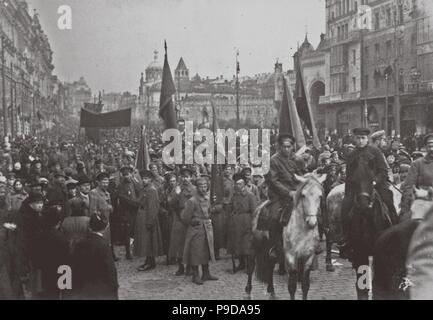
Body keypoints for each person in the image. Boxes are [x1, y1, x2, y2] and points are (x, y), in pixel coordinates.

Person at [340, 128, 398, 258]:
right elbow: (348, 175)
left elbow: (383, 171)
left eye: (363, 138)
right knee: (345, 208)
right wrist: (349, 190)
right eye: (358, 138)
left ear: (367, 139)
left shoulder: (375, 152)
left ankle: (394, 230)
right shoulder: (352, 155)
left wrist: (375, 181)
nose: (360, 141)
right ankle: (346, 238)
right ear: (354, 139)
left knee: (388, 202)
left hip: (376, 185)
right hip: (357, 187)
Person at [264, 133, 302, 261]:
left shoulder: (297, 159)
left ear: (293, 147)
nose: (286, 149)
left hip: (296, 193)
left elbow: (302, 174)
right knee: (274, 217)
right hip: (279, 196)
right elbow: (273, 181)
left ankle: (315, 240)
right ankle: (274, 247)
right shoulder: (273, 160)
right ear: (280, 147)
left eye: (289, 146)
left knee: (313, 211)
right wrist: (288, 192)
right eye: (284, 147)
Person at [71, 213, 119, 300]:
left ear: (89, 227)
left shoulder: (80, 243)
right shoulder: (104, 245)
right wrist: (114, 287)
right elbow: (110, 269)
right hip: (101, 290)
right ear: (106, 227)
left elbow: (75, 266)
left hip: (83, 288)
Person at [181, 177, 218, 285]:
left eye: (205, 186)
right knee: (196, 252)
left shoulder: (207, 198)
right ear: (197, 187)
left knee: (206, 250)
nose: (203, 188)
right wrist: (192, 221)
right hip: (196, 230)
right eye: (201, 186)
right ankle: (195, 275)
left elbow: (209, 212)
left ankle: (206, 273)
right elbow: (185, 217)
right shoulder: (192, 201)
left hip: (207, 227)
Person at [36, 207, 69, 300]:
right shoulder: (62, 237)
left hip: (45, 271)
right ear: (59, 222)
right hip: (62, 271)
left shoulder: (40, 236)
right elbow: (67, 256)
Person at [169, 167, 196, 276]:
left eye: (187, 177)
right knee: (179, 244)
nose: (185, 179)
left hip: (190, 218)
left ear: (191, 177)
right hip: (178, 218)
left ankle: (189, 267)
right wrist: (177, 194)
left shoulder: (194, 189)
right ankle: (180, 267)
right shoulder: (177, 188)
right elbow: (171, 204)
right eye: (183, 177)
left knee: (189, 243)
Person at [134, 170, 163, 271]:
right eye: (143, 178)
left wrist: (150, 221)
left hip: (148, 217)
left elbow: (153, 207)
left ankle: (150, 262)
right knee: (146, 241)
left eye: (146, 178)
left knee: (149, 241)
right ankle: (148, 261)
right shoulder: (144, 189)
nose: (144, 180)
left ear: (151, 179)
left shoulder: (151, 190)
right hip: (142, 216)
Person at [400, 134, 433, 222]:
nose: (432, 149)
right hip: (422, 203)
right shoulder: (417, 164)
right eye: (429, 146)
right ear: (425, 147)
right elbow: (408, 186)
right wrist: (405, 209)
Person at [229, 173, 257, 272]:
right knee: (238, 243)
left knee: (247, 245)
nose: (238, 186)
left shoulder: (250, 195)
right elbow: (231, 208)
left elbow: (254, 211)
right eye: (236, 184)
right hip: (236, 222)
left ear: (244, 184)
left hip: (246, 221)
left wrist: (253, 224)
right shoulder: (234, 196)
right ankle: (241, 264)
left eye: (240, 184)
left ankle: (250, 265)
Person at [89, 172, 117, 261]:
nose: (105, 185)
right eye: (103, 182)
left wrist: (110, 208)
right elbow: (93, 210)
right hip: (100, 222)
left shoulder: (107, 194)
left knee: (107, 241)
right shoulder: (94, 193)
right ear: (99, 182)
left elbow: (110, 207)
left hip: (107, 221)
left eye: (107, 182)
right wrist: (98, 221)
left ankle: (109, 256)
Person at [117, 166, 140, 260]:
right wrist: (136, 203)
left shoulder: (134, 182)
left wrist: (139, 202)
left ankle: (135, 250)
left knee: (135, 230)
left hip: (135, 211)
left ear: (131, 174)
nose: (127, 176)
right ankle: (128, 252)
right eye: (125, 174)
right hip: (126, 212)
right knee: (128, 232)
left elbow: (139, 192)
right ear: (122, 175)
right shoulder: (121, 185)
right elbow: (123, 199)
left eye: (128, 174)